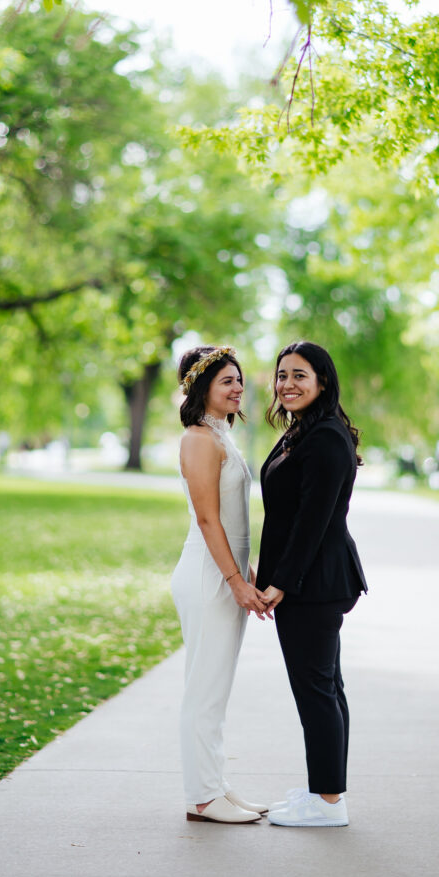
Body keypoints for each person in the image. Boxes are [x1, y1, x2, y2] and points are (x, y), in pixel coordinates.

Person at [256, 340, 368, 828]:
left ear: (322, 380)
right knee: (325, 688)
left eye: (300, 375)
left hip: (314, 583)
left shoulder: (325, 437)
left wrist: (280, 581)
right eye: (282, 376)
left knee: (317, 691)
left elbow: (313, 520)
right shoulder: (304, 431)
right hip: (313, 580)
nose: (288, 384)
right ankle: (325, 793)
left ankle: (327, 802)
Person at [171, 344, 269, 824]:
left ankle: (216, 787)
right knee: (203, 690)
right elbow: (208, 519)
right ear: (201, 387)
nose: (238, 387)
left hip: (227, 571)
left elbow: (233, 520)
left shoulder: (221, 435)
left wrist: (246, 571)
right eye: (227, 380)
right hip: (208, 576)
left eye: (238, 379)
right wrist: (233, 579)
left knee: (216, 688)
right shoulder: (197, 439)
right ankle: (202, 797)